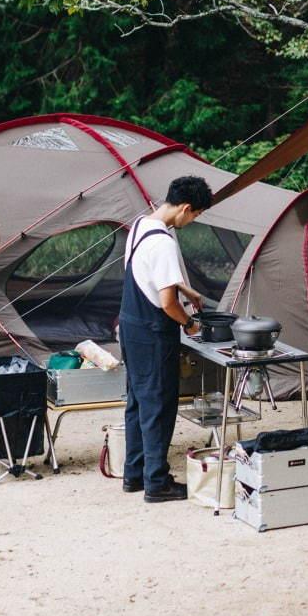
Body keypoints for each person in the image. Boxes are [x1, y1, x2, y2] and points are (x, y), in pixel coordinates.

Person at [119, 175, 211, 503]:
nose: (192, 220)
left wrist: (184, 287)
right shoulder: (165, 243)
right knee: (159, 403)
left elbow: (145, 271)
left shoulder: (141, 225)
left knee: (138, 401)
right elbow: (167, 304)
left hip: (130, 326)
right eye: (195, 215)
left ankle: (135, 474)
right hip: (153, 332)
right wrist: (189, 325)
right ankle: (157, 482)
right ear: (186, 208)